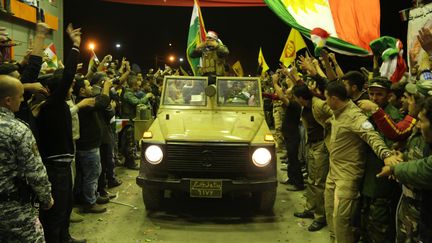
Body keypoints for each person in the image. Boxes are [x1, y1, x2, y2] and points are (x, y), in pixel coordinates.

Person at [323, 80, 401, 243]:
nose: (325, 101)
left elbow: (372, 136)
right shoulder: (336, 112)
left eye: (326, 98)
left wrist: (386, 154)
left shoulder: (355, 116)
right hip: (333, 174)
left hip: (347, 178)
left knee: (342, 223)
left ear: (334, 99)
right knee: (331, 216)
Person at [36, 23, 87, 243]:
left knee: (66, 207)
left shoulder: (59, 103)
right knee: (55, 213)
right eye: (68, 85)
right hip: (54, 168)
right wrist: (75, 46)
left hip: (65, 164)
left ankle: (65, 238)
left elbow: (68, 77)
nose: (72, 86)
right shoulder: (51, 105)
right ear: (58, 89)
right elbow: (67, 75)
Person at [0, 75, 53, 242]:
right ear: (8, 100)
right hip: (13, 210)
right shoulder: (17, 130)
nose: (23, 101)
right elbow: (35, 172)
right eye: (21, 96)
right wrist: (46, 198)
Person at [292, 83, 332, 231]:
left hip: (322, 145)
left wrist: (328, 124)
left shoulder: (319, 104)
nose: (295, 100)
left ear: (301, 98)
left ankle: (320, 217)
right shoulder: (306, 106)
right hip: (312, 144)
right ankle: (310, 209)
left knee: (320, 182)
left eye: (296, 98)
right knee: (311, 179)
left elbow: (336, 114)